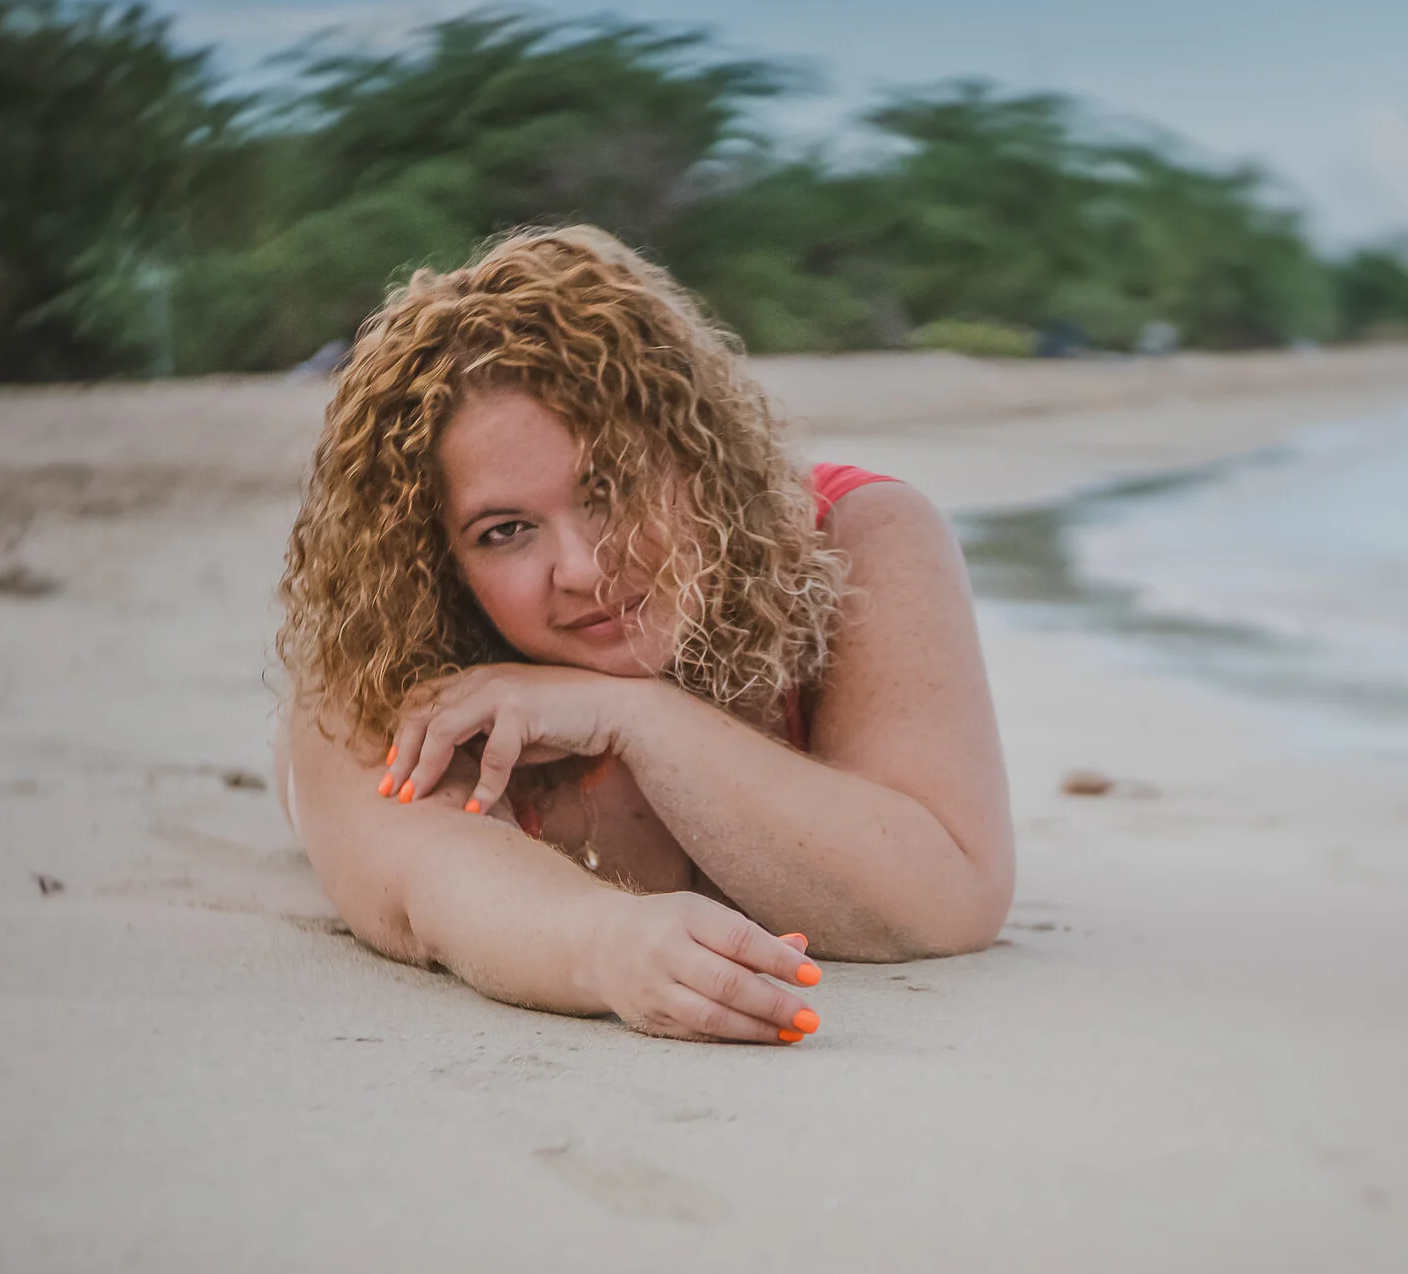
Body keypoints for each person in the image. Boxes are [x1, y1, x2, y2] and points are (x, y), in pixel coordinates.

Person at [272, 227, 1015, 1045]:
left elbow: (951, 894)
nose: (584, 568)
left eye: (611, 486)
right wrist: (607, 944)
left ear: (698, 455)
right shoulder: (380, 650)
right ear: (437, 558)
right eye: (505, 530)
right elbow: (430, 878)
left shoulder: (853, 537)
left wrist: (636, 715)